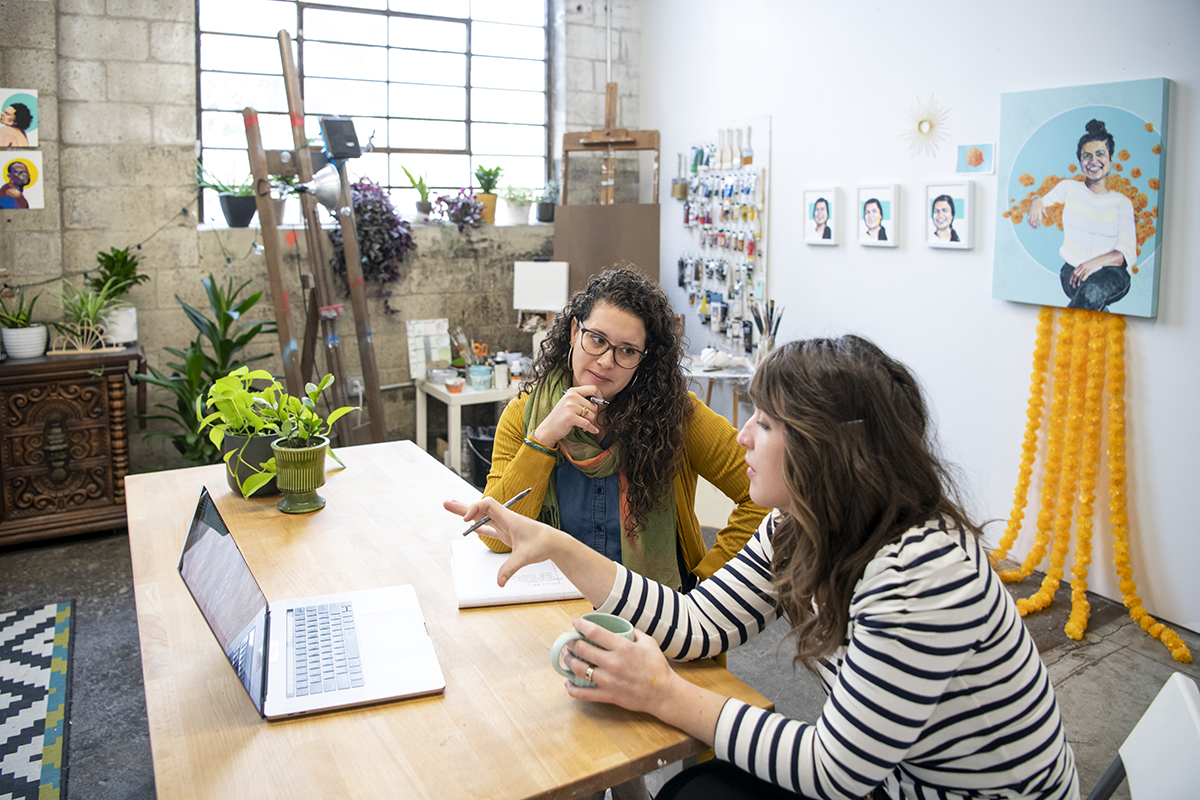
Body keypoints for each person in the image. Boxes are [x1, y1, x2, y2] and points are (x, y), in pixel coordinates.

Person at [447, 336, 1081, 800]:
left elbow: (834, 770)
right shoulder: (799, 524)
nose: (743, 436)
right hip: (894, 776)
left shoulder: (921, 576)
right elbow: (697, 623)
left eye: (766, 422)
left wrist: (660, 691)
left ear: (825, 451)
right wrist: (556, 545)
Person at [477, 267, 768, 800]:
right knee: (568, 758)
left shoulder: (676, 416)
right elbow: (497, 536)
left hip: (659, 618)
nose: (606, 361)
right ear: (573, 333)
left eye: (627, 351)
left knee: (628, 753)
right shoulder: (525, 414)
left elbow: (761, 495)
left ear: (644, 360)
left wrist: (706, 583)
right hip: (558, 614)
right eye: (596, 340)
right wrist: (544, 440)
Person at [1027, 118, 1135, 312]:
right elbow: (1043, 200)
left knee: (1092, 291)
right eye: (1087, 156)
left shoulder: (1122, 202)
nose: (1093, 161)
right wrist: (1036, 199)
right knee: (1090, 296)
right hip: (1073, 271)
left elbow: (1125, 254)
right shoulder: (1069, 187)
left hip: (1112, 273)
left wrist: (1094, 263)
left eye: (1100, 154)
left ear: (1110, 158)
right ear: (1080, 161)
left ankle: (1066, 333)